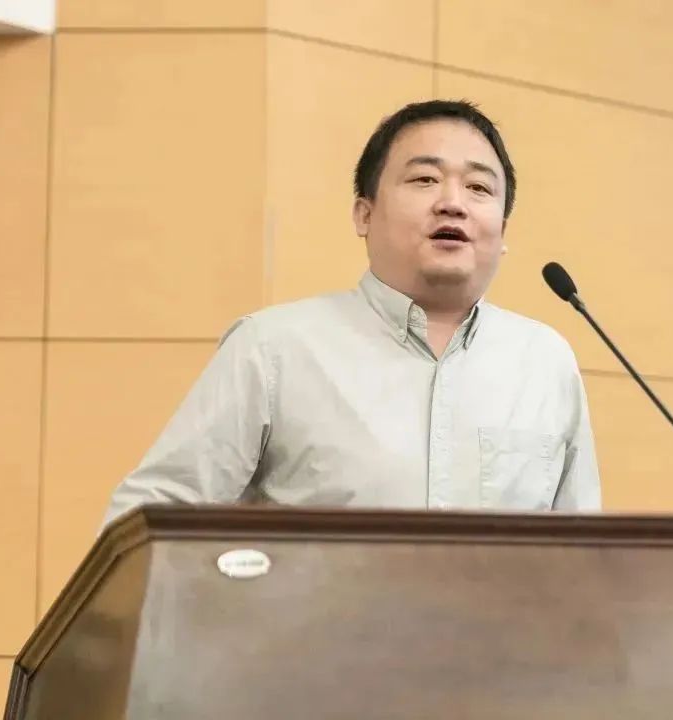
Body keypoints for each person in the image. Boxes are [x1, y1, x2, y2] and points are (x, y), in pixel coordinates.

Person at [101, 100, 601, 527]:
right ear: (364, 214)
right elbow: (150, 518)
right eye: (425, 179)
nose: (453, 203)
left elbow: (586, 554)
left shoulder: (544, 361)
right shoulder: (275, 350)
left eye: (479, 188)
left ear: (503, 230)